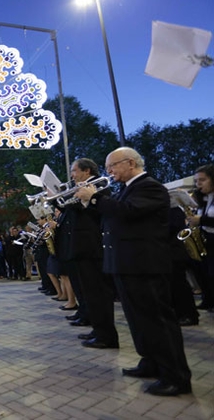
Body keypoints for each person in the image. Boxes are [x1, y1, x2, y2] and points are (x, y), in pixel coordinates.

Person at [76, 147, 192, 396]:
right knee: (138, 321)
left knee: (157, 321)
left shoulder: (149, 187)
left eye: (112, 165)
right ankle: (150, 362)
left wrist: (95, 198)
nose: (109, 171)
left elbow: (129, 212)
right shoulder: (128, 189)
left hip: (144, 266)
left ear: (130, 163)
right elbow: (113, 219)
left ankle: (176, 376)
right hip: (127, 265)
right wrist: (91, 203)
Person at [59, 158, 118, 349]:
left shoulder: (99, 186)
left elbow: (99, 213)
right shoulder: (82, 187)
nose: (72, 175)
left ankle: (106, 336)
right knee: (90, 294)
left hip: (93, 248)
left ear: (86, 171)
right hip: (82, 249)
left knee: (98, 294)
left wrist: (87, 198)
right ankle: (98, 330)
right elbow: (70, 209)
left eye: (74, 171)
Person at [188, 164, 214, 312]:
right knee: (203, 272)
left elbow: (205, 219)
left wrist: (201, 220)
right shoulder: (202, 198)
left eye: (202, 180)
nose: (198, 184)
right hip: (206, 239)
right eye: (196, 181)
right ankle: (208, 299)